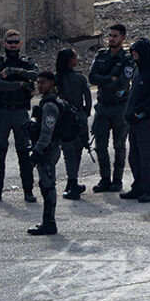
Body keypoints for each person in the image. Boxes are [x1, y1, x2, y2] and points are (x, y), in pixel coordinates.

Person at [0, 29, 39, 203]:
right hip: (2, 111)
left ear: (20, 43)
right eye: (9, 42)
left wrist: (13, 71)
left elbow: (36, 75)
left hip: (20, 112)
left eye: (15, 42)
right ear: (4, 44)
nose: (12, 45)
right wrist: (21, 84)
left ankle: (28, 192)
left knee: (24, 152)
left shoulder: (25, 62)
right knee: (0, 152)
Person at [27, 72, 79, 236]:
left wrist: (37, 152)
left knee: (48, 186)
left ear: (51, 83)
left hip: (48, 150)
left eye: (43, 82)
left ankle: (49, 223)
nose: (39, 85)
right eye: (38, 82)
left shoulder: (50, 105)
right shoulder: (47, 102)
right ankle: (47, 221)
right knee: (45, 185)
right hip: (48, 148)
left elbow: (46, 133)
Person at [87, 24, 133, 192]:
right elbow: (92, 77)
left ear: (123, 38)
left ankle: (117, 180)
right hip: (103, 107)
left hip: (119, 107)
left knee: (119, 145)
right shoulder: (101, 55)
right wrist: (109, 79)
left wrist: (105, 80)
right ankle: (105, 178)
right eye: (110, 35)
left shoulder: (127, 58)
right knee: (100, 145)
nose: (111, 39)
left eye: (115, 36)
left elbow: (122, 82)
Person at [121, 38, 150, 203]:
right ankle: (138, 186)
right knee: (134, 156)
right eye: (132, 53)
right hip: (134, 122)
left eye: (136, 53)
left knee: (147, 157)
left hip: (148, 121)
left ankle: (149, 189)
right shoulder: (138, 69)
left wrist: (138, 112)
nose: (134, 56)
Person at [54, 48, 92, 200]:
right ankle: (73, 183)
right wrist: (84, 114)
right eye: (75, 57)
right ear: (70, 60)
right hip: (78, 121)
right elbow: (88, 100)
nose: (78, 59)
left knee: (68, 154)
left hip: (63, 122)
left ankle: (72, 182)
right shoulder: (80, 78)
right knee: (76, 153)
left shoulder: (56, 79)